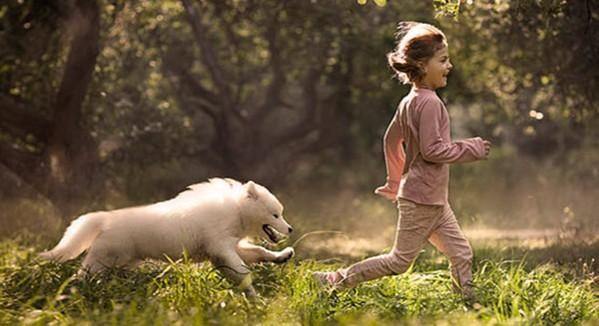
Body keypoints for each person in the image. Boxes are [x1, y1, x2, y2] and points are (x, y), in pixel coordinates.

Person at [313, 22, 491, 301]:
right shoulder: (430, 103)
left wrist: (395, 181)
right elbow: (433, 151)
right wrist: (472, 149)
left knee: (461, 253)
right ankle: (333, 281)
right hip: (422, 199)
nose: (449, 66)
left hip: (431, 198)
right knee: (399, 262)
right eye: (443, 60)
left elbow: (390, 140)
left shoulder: (409, 101)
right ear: (421, 64)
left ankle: (469, 304)